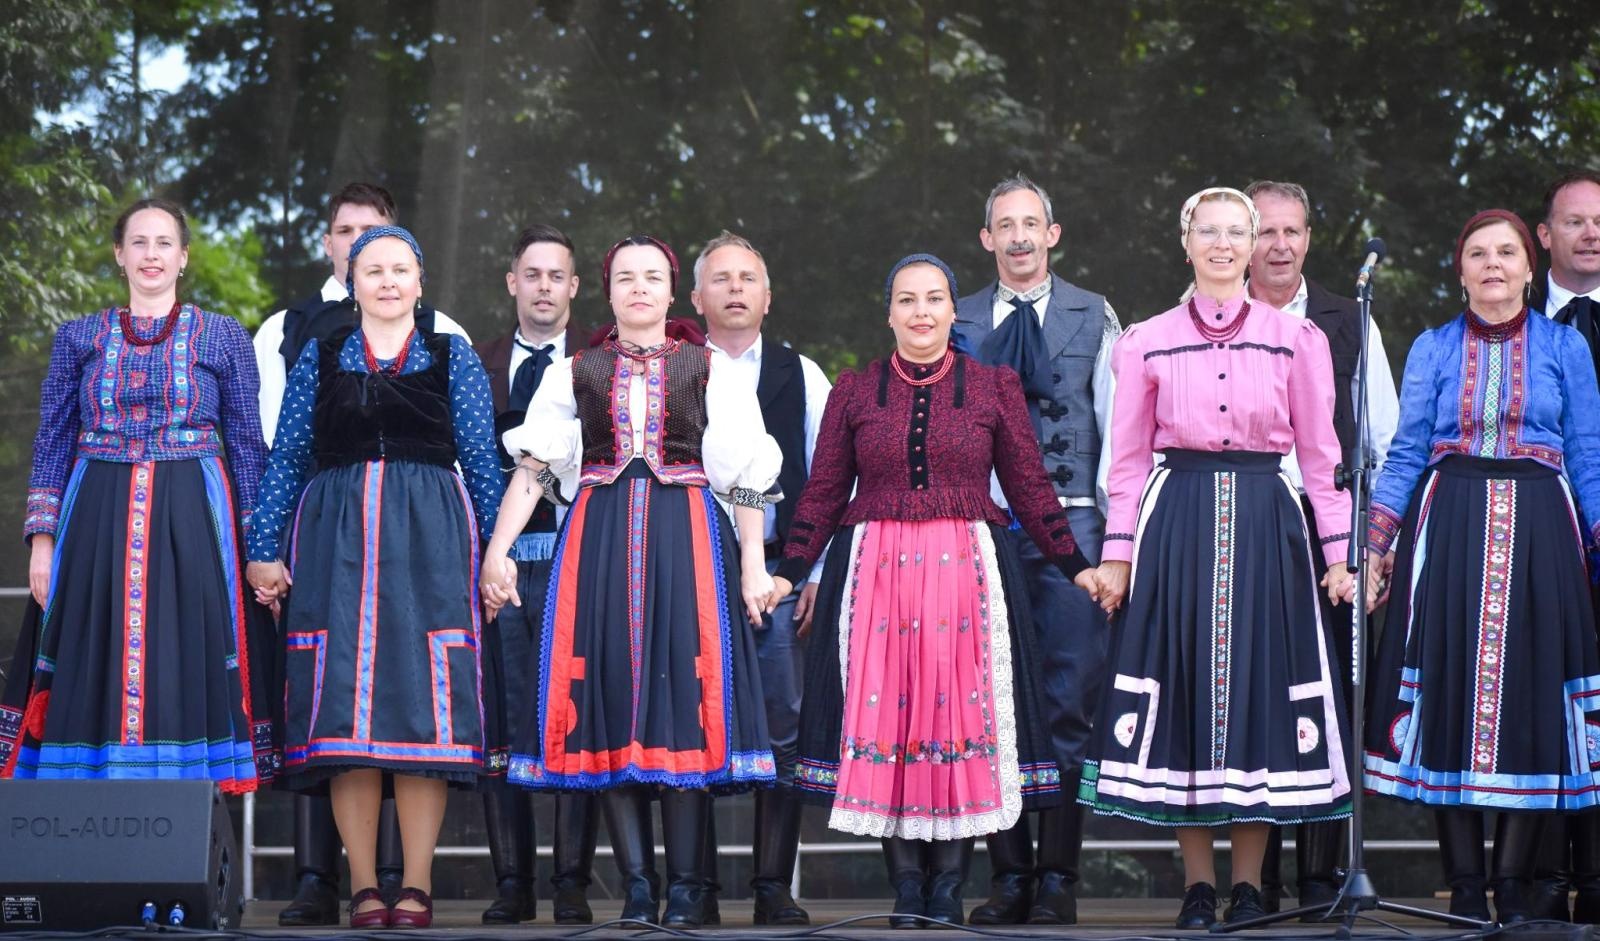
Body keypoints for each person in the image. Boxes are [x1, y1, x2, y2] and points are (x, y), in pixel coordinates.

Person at [773, 253, 1096, 928]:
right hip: (877, 575)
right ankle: (907, 888)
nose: (921, 312)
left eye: (934, 299)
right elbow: (828, 489)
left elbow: (1031, 486)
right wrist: (790, 567)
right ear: (889, 311)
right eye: (907, 300)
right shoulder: (855, 391)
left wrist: (1076, 564)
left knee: (960, 717)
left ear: (954, 310)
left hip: (966, 575)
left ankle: (948, 883)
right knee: (886, 718)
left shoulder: (992, 387)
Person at [482, 235, 780, 929]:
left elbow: (749, 479)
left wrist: (755, 563)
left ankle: (684, 886)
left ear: (673, 291)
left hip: (688, 542)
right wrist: (498, 552)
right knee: (610, 697)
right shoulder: (576, 370)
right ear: (608, 291)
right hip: (598, 539)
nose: (639, 288)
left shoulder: (710, 367)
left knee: (685, 695)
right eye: (625, 277)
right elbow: (531, 469)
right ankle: (639, 886)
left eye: (652, 277)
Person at [1078, 187, 1356, 929]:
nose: (1226, 244)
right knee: (1185, 694)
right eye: (1211, 231)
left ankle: (1249, 885)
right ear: (1187, 240)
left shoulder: (1299, 340)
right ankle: (1198, 885)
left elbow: (1324, 457)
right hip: (1180, 526)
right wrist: (1119, 556)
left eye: (1239, 231)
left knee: (1261, 698)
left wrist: (1338, 553)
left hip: (1269, 521)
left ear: (1257, 239)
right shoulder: (1145, 339)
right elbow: (1128, 461)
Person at [246, 226, 503, 929]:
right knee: (344, 718)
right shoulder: (320, 358)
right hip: (336, 543)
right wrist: (263, 545)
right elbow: (289, 453)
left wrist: (496, 551)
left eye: (400, 270)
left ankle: (415, 883)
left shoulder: (454, 357)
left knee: (424, 712)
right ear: (352, 283)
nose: (388, 281)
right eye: (373, 270)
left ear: (421, 284)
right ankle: (363, 883)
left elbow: (482, 462)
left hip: (431, 546)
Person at [1360, 209, 1600, 925]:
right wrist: (1373, 545)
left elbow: (1588, 452)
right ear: (1459, 270)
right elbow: (1405, 453)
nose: (1492, 264)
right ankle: (1465, 883)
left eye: (1507, 252)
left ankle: (1514, 882)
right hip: (1452, 524)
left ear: (1531, 267)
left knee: (1528, 695)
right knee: (1450, 697)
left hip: (1542, 532)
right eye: (1477, 253)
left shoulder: (1565, 347)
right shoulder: (1433, 346)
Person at [1, 198, 274, 791]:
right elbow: (51, 442)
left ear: (184, 258)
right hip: (95, 513)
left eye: (164, 243)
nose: (152, 254)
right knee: (90, 650)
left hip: (193, 518)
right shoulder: (78, 337)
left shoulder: (224, 336)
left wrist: (261, 547)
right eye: (140, 243)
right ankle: (91, 827)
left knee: (184, 653)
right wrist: (42, 542)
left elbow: (250, 446)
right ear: (119, 255)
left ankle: (181, 823)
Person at [952, 174, 1118, 926]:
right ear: (986, 240)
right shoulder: (955, 320)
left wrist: (1119, 542)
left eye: (1031, 224)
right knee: (992, 701)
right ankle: (1008, 874)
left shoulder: (1096, 313)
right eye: (1003, 226)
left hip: (1075, 525)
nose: (1018, 236)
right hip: (984, 528)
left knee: (1069, 702)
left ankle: (1060, 874)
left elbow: (1118, 433)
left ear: (1054, 234)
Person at [1242, 179, 1400, 915]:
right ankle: (1259, 879)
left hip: (1327, 526)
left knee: (1332, 689)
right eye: (1265, 231)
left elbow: (1384, 441)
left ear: (1309, 237)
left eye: (1291, 231)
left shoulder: (1347, 318)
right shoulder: (1214, 317)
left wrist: (1372, 550)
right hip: (1239, 524)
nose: (1279, 245)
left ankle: (1324, 876)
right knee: (1252, 691)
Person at [693, 231, 833, 926]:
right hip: (686, 575)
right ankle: (698, 889)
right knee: (691, 724)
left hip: (779, 576)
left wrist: (811, 571)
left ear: (768, 296)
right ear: (695, 297)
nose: (736, 288)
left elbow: (832, 480)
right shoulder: (673, 370)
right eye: (721, 278)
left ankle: (772, 886)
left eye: (748, 277)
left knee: (783, 727)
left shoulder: (801, 374)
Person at [472, 223, 597, 925]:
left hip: (579, 557)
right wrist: (485, 553)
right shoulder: (474, 361)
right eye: (533, 274)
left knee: (576, 712)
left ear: (574, 289)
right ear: (513, 282)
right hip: (498, 564)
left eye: (558, 276)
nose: (544, 286)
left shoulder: (601, 363)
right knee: (504, 715)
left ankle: (571, 881)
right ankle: (512, 881)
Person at [1532, 169, 1600, 923]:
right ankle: (1541, 875)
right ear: (1543, 237)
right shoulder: (1505, 319)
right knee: (1541, 700)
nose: (1592, 232)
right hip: (1538, 541)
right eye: (1576, 221)